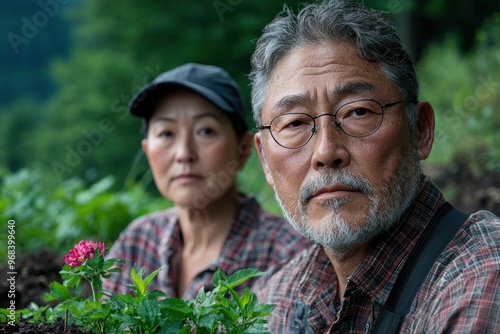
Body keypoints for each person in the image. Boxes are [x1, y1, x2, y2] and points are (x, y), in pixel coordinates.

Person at [250, 0, 500, 332]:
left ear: (421, 130)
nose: (326, 152)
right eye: (295, 122)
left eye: (358, 112)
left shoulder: (480, 277)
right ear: (265, 158)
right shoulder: (274, 300)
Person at [103, 63, 312, 299]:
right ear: (148, 150)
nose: (184, 153)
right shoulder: (138, 241)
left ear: (243, 149)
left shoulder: (288, 256)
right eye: (166, 134)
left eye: (205, 131)